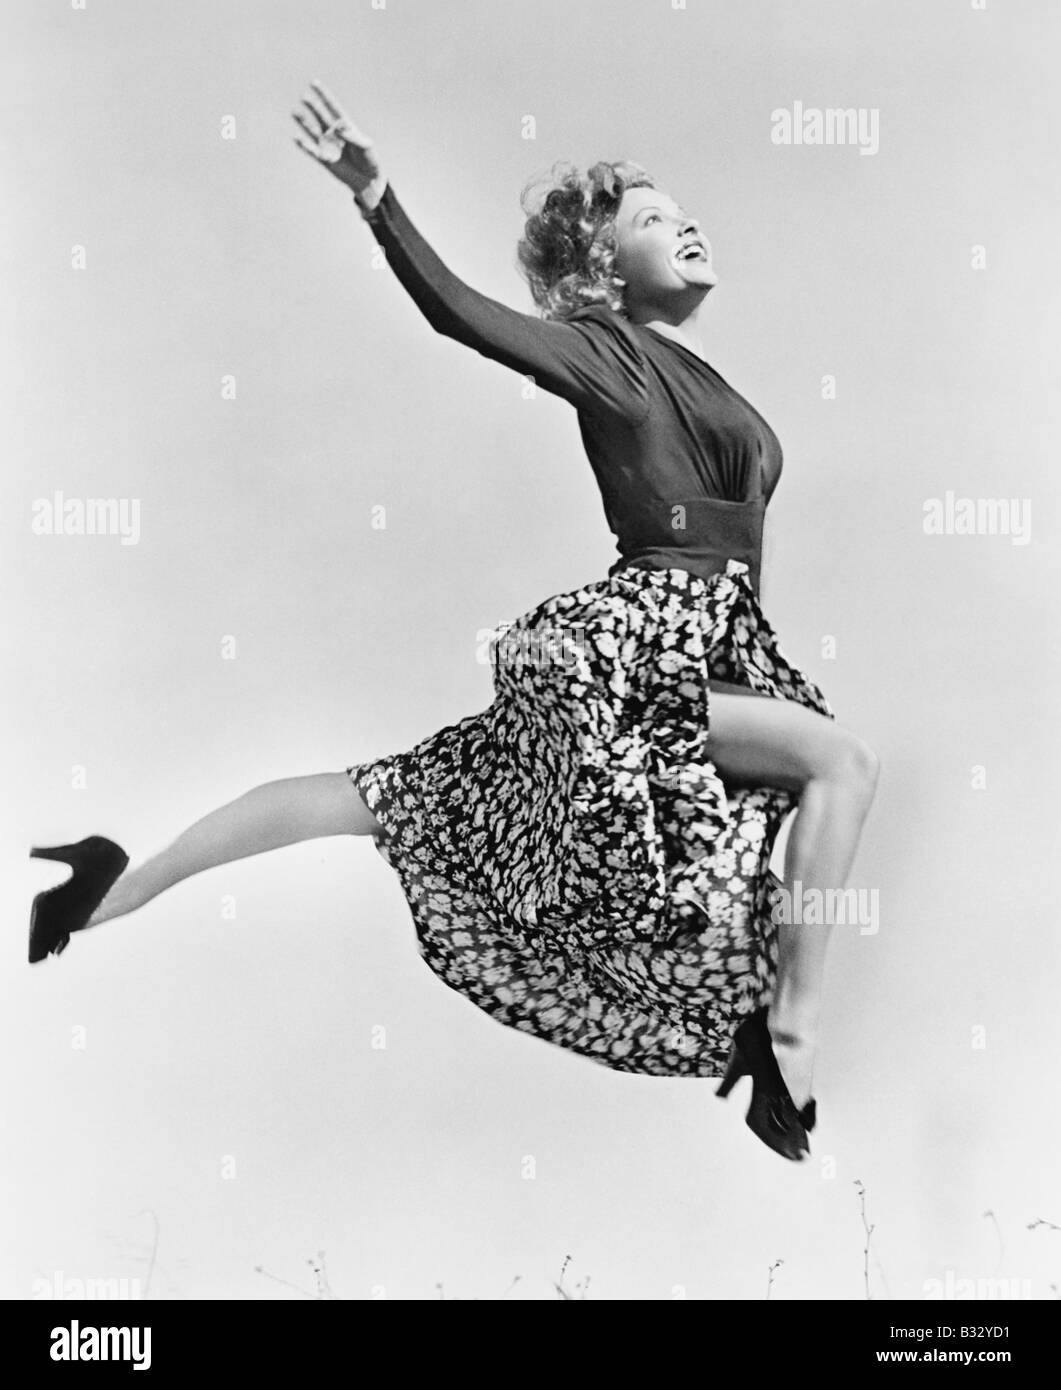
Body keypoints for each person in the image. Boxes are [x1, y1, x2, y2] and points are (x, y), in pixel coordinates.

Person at [28, 82, 880, 1163]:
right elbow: (461, 317)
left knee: (392, 796)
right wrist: (378, 198)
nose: (688, 225)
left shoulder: (674, 362)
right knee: (840, 763)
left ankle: (110, 887)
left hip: (708, 640)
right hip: (635, 647)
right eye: (655, 219)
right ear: (604, 265)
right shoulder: (602, 349)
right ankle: (785, 1041)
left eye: (683, 212)